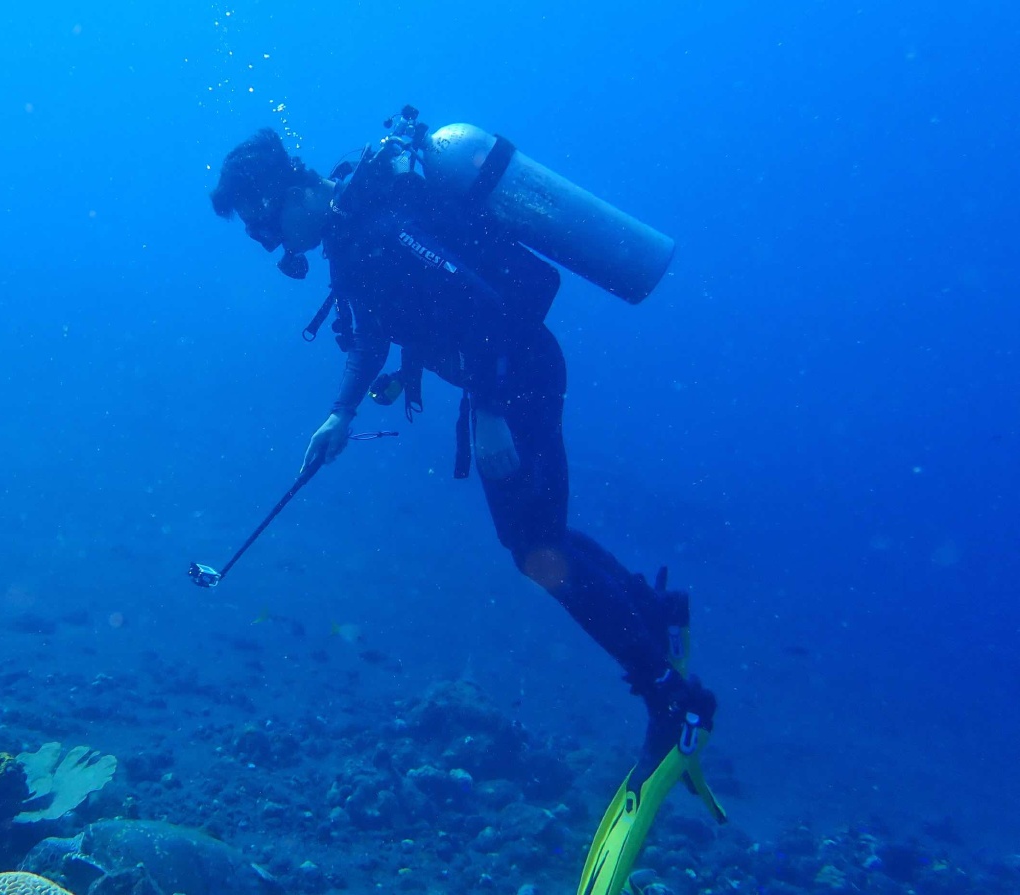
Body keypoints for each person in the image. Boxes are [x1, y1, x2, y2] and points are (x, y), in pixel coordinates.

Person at [209, 124, 717, 796]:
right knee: (538, 542)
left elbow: (502, 304)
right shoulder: (351, 234)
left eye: (264, 227)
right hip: (506, 383)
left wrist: (487, 407)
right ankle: (653, 611)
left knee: (537, 552)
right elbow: (372, 335)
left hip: (519, 383)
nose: (273, 246)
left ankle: (673, 696)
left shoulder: (382, 227)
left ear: (284, 190)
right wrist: (342, 413)